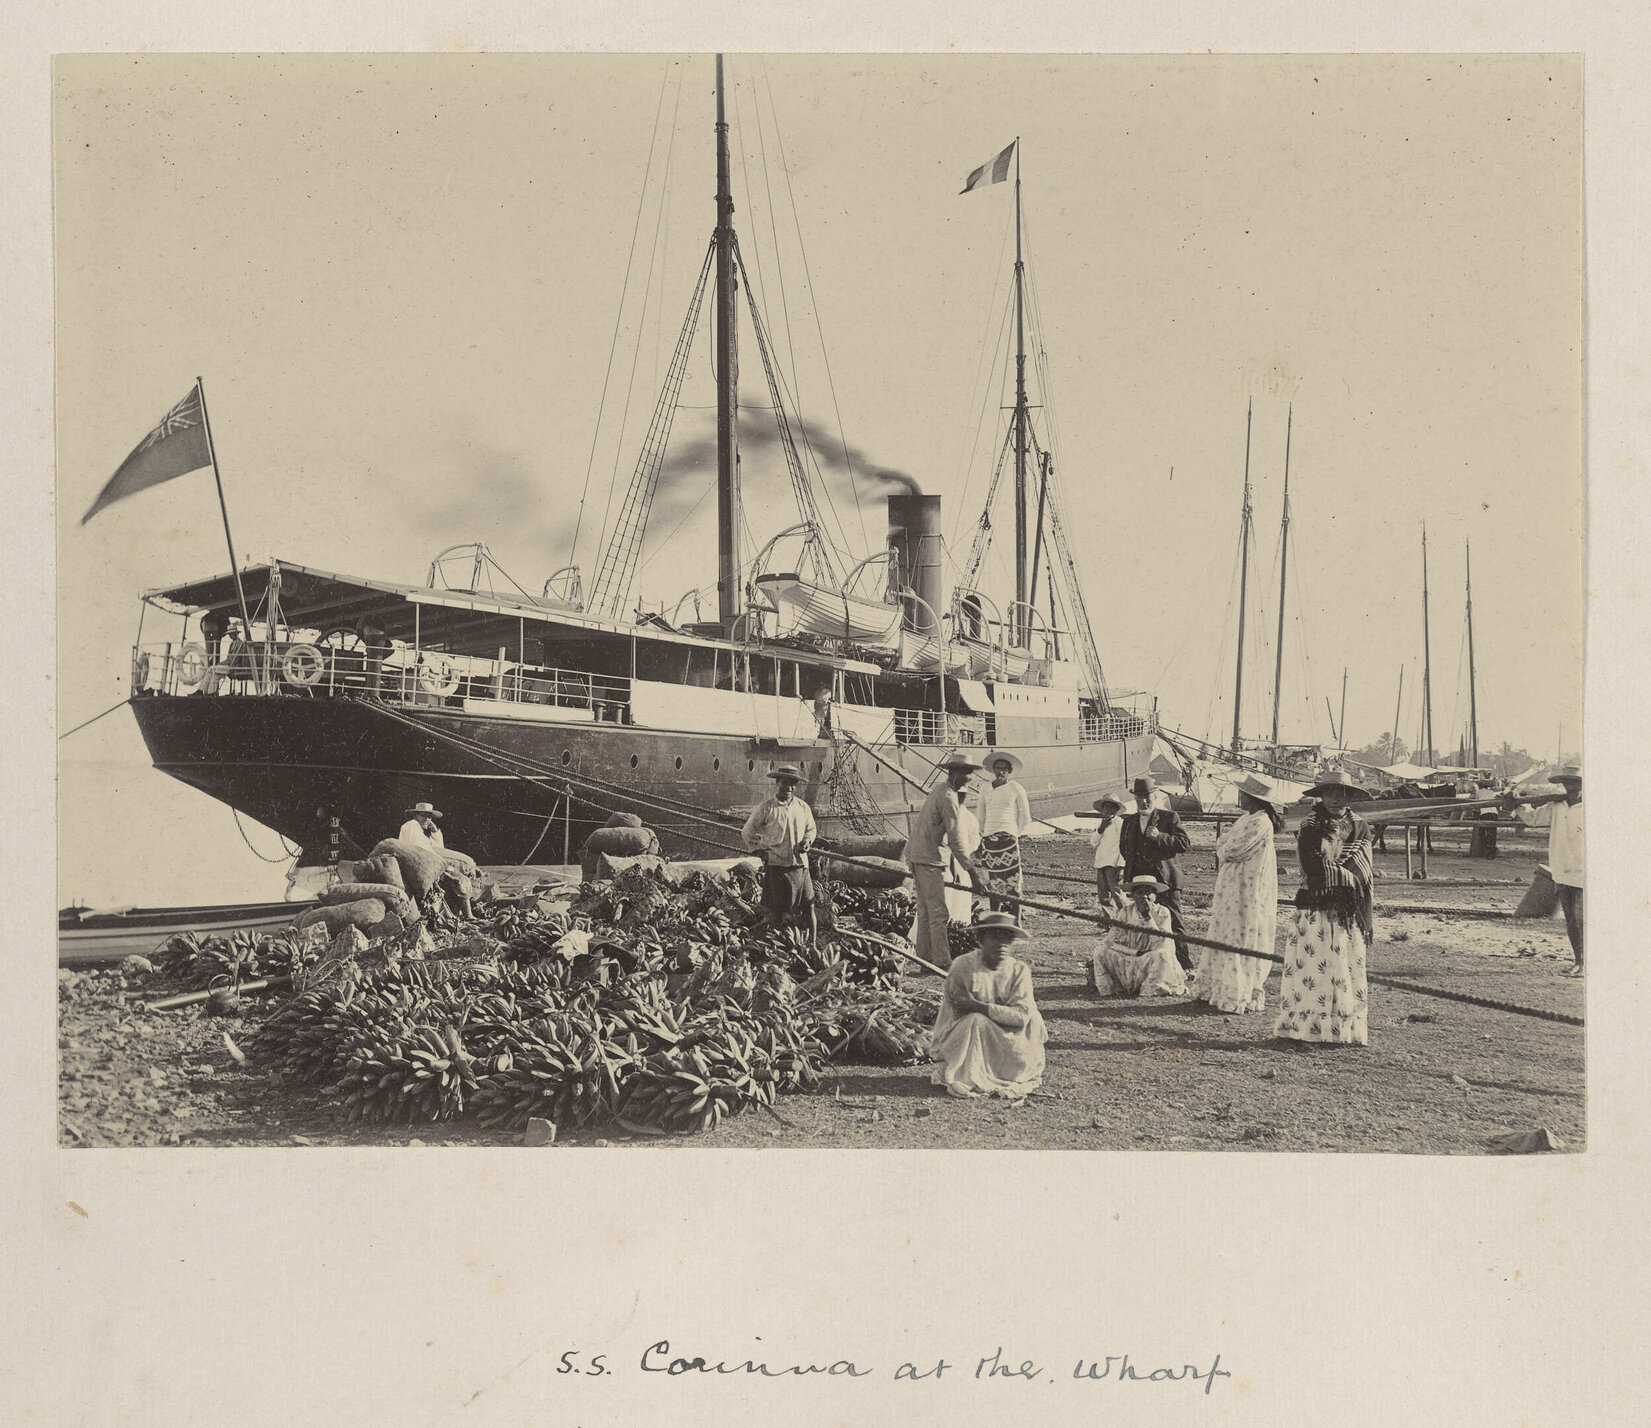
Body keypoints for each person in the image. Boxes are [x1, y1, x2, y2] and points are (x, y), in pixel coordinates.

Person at [1275, 770, 1374, 1046]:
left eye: (1341, 794)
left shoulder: (1360, 827)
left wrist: (1344, 879)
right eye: (1329, 793)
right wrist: (1342, 876)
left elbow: (1362, 868)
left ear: (1349, 797)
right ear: (1321, 796)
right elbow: (1311, 865)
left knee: (1342, 967)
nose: (1335, 799)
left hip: (1345, 909)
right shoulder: (1310, 825)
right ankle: (1308, 1029)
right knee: (1313, 969)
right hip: (1315, 906)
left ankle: (1341, 1031)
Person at [1190, 775, 1285, 1014]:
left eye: (1243, 794)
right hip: (1232, 887)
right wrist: (1224, 847)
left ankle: (1238, 989)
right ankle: (1215, 986)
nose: (1239, 797)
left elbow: (1232, 848)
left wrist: (1223, 848)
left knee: (1242, 932)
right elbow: (1223, 842)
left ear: (1253, 798)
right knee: (1225, 929)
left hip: (1248, 888)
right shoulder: (1246, 819)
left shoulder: (1261, 822)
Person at [928, 911, 1048, 1099]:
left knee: (1030, 1018)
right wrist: (981, 1011)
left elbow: (1021, 1016)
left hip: (1012, 1039)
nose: (1001, 944)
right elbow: (959, 1007)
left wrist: (980, 1006)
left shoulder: (1019, 971)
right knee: (975, 1021)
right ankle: (969, 1075)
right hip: (962, 1038)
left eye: (1006, 938)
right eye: (994, 937)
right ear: (981, 940)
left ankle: (1004, 1070)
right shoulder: (963, 966)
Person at [903, 754, 991, 970]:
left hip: (917, 857)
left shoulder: (938, 790)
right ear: (954, 773)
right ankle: (941, 962)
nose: (970, 778)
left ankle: (924, 959)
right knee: (939, 913)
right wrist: (972, 872)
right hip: (931, 860)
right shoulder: (949, 797)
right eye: (967, 773)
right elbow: (956, 839)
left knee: (924, 912)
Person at [1116, 775, 1193, 969]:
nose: (1143, 801)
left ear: (1155, 795)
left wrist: (1161, 837)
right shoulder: (1129, 821)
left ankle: (1184, 965)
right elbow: (1124, 848)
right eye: (1139, 796)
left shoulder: (1169, 817)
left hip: (1166, 880)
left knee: (1174, 923)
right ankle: (1151, 964)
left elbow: (1184, 844)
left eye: (1147, 796)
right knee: (1143, 921)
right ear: (1134, 798)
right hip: (1141, 883)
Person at [741, 765, 818, 944]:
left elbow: (811, 829)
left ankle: (812, 943)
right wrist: (759, 851)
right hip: (777, 866)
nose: (789, 787)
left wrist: (807, 841)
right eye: (785, 783)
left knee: (809, 906)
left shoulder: (802, 807)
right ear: (777, 783)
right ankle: (776, 947)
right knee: (776, 910)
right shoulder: (767, 808)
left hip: (800, 865)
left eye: (793, 784)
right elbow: (747, 831)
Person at [1088, 874, 1187, 998]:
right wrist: (1134, 952)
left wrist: (1147, 918)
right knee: (1100, 950)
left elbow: (1163, 943)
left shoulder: (1162, 912)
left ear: (1155, 896)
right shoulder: (1125, 912)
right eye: (1139, 892)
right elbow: (1110, 941)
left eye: (1148, 892)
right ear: (1133, 896)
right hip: (1131, 956)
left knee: (1162, 955)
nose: (1144, 896)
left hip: (1151, 957)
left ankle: (1152, 988)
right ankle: (1115, 987)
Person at [976, 752, 1033, 920]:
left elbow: (1025, 816)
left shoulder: (1016, 788)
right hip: (989, 840)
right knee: (992, 883)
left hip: (1008, 839)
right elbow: (980, 815)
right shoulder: (985, 788)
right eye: (997, 768)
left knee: (1014, 883)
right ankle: (996, 920)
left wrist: (1015, 834)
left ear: (1010, 771)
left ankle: (1016, 923)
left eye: (1004, 769)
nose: (1000, 772)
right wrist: (983, 834)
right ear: (993, 770)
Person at [1548, 766, 1584, 975]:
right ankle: (1579, 961)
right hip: (1561, 869)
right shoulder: (1556, 807)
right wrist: (1514, 804)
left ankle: (1587, 962)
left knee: (1582, 919)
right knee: (1571, 919)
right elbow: (1533, 818)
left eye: (1575, 783)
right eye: (1567, 783)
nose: (1571, 788)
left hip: (1584, 872)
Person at [1088, 794, 1126, 908]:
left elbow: (1124, 845)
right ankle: (1109, 923)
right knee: (1104, 897)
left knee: (1118, 896)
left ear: (1116, 809)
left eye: (1111, 807)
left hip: (1113, 865)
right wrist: (1101, 828)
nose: (1108, 810)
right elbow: (1093, 842)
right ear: (1102, 809)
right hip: (1101, 864)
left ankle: (1125, 922)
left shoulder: (1120, 823)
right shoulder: (1102, 823)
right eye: (1106, 807)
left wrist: (1121, 866)